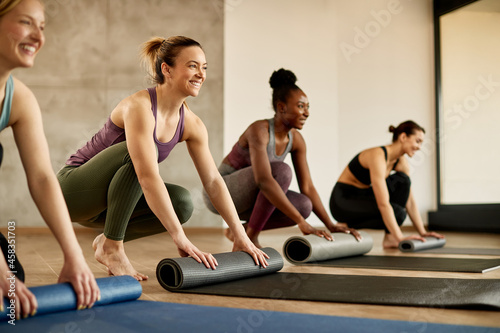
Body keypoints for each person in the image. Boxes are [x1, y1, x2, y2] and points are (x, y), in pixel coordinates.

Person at [57, 36, 269, 281]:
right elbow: (147, 176)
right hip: (71, 192)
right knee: (140, 156)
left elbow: (213, 181)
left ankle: (108, 240)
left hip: (105, 208)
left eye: (204, 67)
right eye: (192, 65)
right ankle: (114, 247)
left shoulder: (192, 124)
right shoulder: (139, 107)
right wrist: (179, 237)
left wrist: (239, 233)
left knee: (181, 203)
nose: (201, 74)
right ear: (166, 69)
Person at [0, 0, 100, 319]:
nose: (38, 37)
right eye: (26, 23)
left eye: (42, 27)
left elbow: (43, 178)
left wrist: (75, 257)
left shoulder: (19, 98)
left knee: (15, 281)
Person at [204, 68, 360, 248]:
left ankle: (244, 231)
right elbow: (263, 180)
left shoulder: (297, 141)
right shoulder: (259, 131)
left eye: (308, 107)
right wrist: (301, 222)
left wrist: (330, 225)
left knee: (304, 205)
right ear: (281, 107)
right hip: (219, 193)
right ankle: (249, 238)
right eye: (301, 106)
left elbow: (307, 187)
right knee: (281, 171)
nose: (306, 113)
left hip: (249, 201)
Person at [329, 120, 445, 248]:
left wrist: (423, 232)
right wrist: (400, 237)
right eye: (418, 141)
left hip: (363, 197)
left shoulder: (401, 162)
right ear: (403, 137)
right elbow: (383, 204)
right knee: (397, 212)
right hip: (343, 201)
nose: (419, 147)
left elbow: (410, 201)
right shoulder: (377, 155)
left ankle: (389, 238)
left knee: (403, 186)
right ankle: (347, 224)